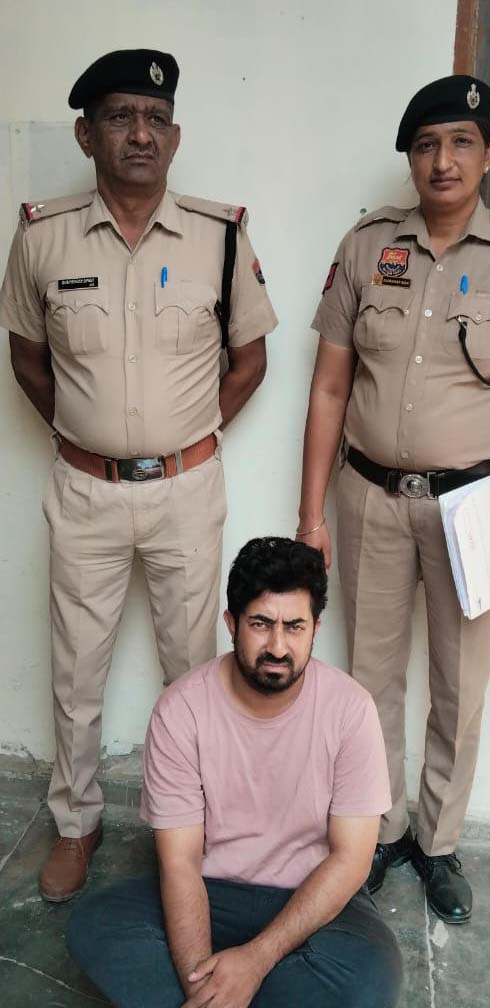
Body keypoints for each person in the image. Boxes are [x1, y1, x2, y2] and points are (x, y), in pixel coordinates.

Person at [0, 49, 278, 903]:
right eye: (121, 117)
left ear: (176, 136)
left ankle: (187, 827)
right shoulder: (42, 237)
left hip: (186, 493)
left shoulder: (220, 236)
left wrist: (186, 438)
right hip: (84, 492)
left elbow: (250, 361)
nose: (141, 134)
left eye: (157, 119)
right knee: (75, 671)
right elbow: (27, 359)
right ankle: (76, 825)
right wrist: (87, 436)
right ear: (86, 135)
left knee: (193, 670)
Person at [296, 75, 490, 924]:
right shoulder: (367, 246)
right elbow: (329, 390)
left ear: (488, 156)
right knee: (369, 678)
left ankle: (439, 842)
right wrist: (311, 517)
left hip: (475, 513)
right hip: (369, 498)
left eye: (460, 143)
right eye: (425, 145)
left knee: (460, 686)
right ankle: (379, 832)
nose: (442, 160)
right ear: (410, 160)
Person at [65, 537, 402, 1008]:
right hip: (212, 891)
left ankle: (237, 985)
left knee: (369, 979)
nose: (278, 646)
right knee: (95, 925)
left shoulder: (351, 710)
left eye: (295, 627)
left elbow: (350, 860)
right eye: (261, 624)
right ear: (231, 624)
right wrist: (200, 981)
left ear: (315, 629)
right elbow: (180, 863)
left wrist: (256, 959)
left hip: (309, 895)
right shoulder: (181, 710)